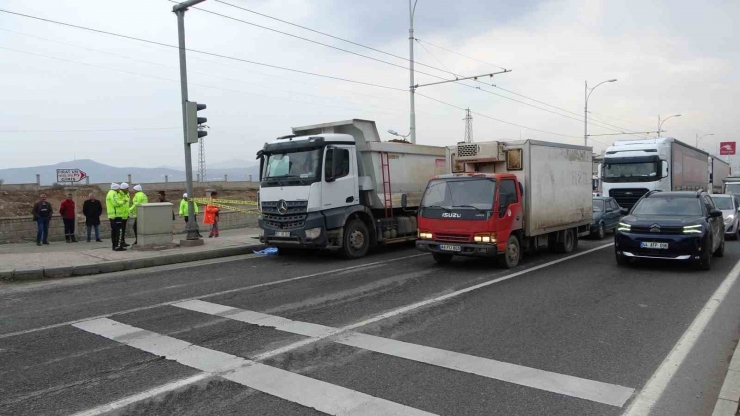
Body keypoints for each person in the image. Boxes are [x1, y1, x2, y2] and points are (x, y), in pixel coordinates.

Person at [106, 183, 126, 251]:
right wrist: (122, 202)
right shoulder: (113, 193)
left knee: (114, 231)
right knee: (119, 231)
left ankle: (114, 246)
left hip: (112, 215)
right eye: (119, 188)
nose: (120, 189)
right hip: (116, 215)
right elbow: (115, 203)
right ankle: (118, 246)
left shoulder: (110, 193)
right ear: (116, 188)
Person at [118, 182, 131, 247]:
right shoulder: (119, 194)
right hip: (120, 215)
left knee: (123, 230)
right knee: (121, 231)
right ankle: (120, 243)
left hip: (125, 215)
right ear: (123, 189)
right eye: (127, 188)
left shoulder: (127, 194)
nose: (128, 190)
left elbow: (127, 204)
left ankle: (123, 242)